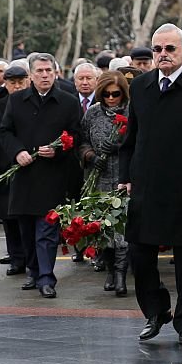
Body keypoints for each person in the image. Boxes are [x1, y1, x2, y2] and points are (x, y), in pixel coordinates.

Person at [118, 24, 182, 344]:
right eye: (158, 49)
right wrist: (126, 176)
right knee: (139, 253)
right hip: (147, 186)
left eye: (170, 49)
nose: (163, 55)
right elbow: (131, 137)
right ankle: (155, 310)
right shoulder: (141, 86)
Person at [0, 53, 82, 298]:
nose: (45, 75)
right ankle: (34, 272)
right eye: (40, 71)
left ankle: (47, 278)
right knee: (26, 230)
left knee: (46, 231)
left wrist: (57, 149)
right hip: (24, 176)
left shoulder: (68, 102)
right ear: (31, 75)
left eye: (49, 70)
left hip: (53, 177)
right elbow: (5, 132)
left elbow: (76, 136)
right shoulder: (16, 101)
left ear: (55, 72)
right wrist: (18, 152)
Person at [77, 70, 132, 295]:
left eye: (116, 94)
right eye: (106, 94)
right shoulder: (92, 114)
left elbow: (142, 143)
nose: (111, 98)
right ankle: (110, 270)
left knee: (122, 230)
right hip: (98, 178)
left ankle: (121, 275)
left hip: (124, 179)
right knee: (104, 228)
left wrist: (120, 148)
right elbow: (81, 141)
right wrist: (91, 156)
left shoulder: (132, 112)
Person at [0, 64, 30, 275]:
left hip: (30, 168)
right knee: (9, 218)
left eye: (21, 83)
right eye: (13, 83)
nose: (17, 87)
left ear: (28, 82)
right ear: (6, 84)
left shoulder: (34, 105)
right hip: (4, 170)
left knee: (28, 217)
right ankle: (17, 258)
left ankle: (31, 257)